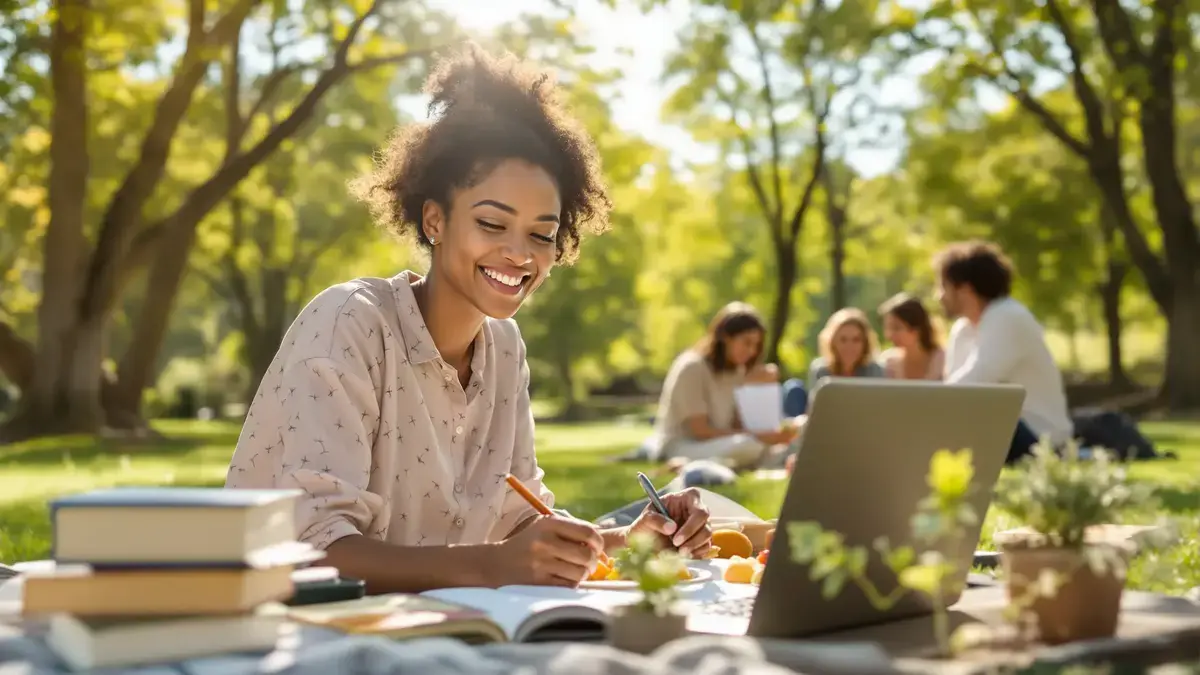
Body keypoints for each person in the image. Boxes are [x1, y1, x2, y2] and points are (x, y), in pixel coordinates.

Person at [224, 45, 712, 593]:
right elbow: (314, 554)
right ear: (435, 220)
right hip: (279, 625)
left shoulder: (504, 346)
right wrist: (494, 567)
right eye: (492, 224)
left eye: (542, 234)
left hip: (429, 623)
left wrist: (634, 539)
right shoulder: (350, 324)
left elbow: (517, 522)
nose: (520, 254)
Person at [934, 241, 1072, 463]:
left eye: (943, 286)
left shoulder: (1008, 316)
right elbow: (954, 394)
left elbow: (975, 382)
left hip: (1038, 439)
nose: (939, 296)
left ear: (965, 289)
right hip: (1002, 430)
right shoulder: (963, 329)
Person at [650, 302, 796, 469]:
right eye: (747, 343)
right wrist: (759, 436)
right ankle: (698, 464)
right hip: (684, 445)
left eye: (756, 345)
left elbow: (737, 425)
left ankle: (723, 464)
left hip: (723, 443)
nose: (752, 351)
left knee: (788, 444)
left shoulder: (737, 371)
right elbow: (701, 431)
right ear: (726, 337)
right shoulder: (692, 367)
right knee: (750, 445)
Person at [782, 307, 884, 416]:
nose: (849, 346)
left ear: (865, 343)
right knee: (793, 387)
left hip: (863, 421)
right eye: (843, 340)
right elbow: (814, 410)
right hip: (827, 421)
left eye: (856, 340)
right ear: (832, 342)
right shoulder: (821, 369)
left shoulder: (874, 370)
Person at [878, 292, 945, 381]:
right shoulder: (888, 363)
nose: (889, 335)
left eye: (897, 328)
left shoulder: (943, 361)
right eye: (888, 328)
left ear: (916, 330)